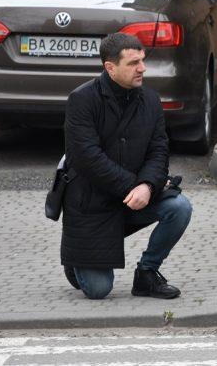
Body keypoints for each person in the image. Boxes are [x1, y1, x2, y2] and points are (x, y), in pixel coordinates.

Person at [61, 32, 193, 299]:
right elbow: (88, 158)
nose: (142, 68)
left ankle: (147, 274)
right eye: (133, 63)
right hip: (92, 207)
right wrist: (135, 186)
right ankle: (77, 262)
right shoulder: (82, 100)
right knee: (98, 290)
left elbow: (159, 151)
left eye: (142, 61)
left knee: (179, 207)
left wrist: (147, 185)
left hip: (132, 200)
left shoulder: (151, 101)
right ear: (110, 67)